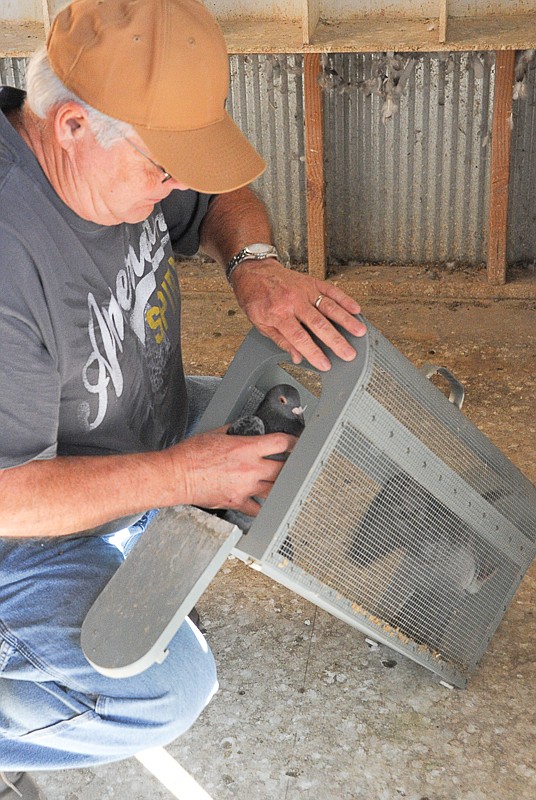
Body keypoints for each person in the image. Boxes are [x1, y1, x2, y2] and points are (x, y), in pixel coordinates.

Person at [0, 0, 366, 794]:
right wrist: (183, 477)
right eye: (164, 164)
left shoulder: (103, 153)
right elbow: (7, 499)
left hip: (130, 433)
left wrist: (255, 261)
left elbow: (222, 196)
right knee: (160, 689)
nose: (177, 184)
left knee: (306, 425)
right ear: (69, 127)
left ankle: (129, 544)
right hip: (19, 528)